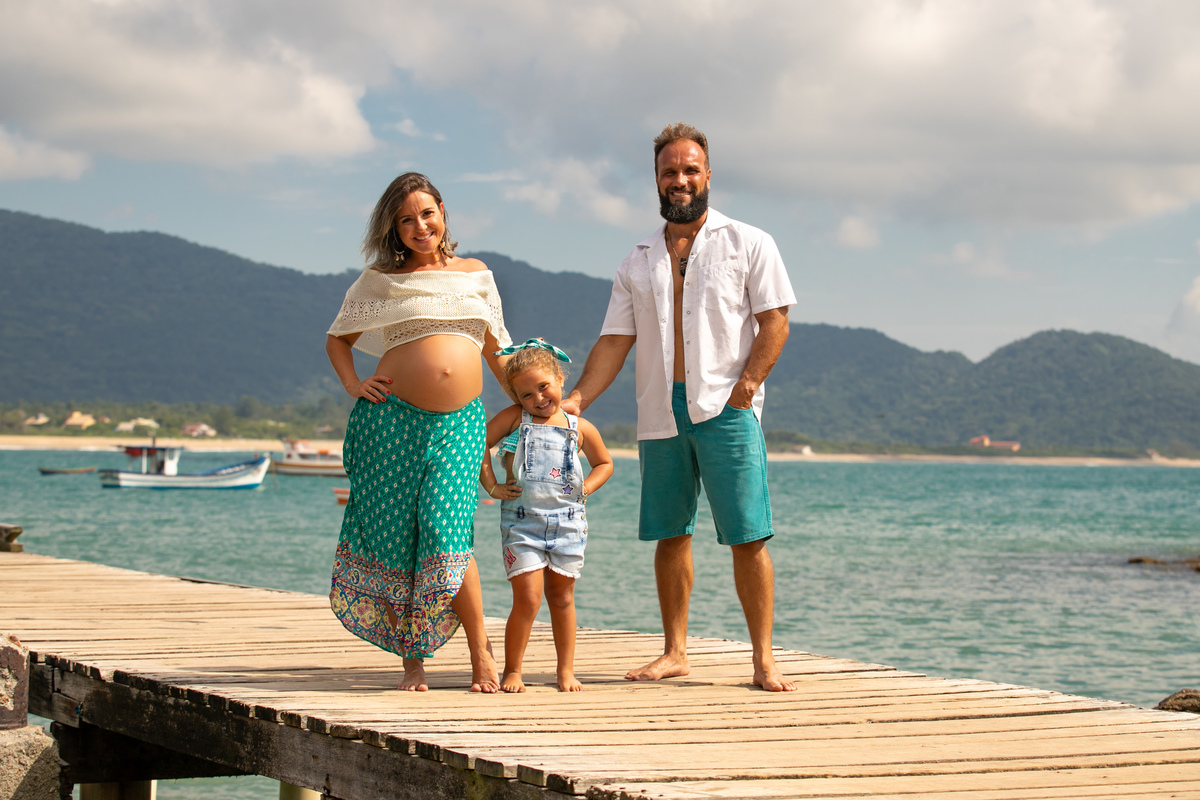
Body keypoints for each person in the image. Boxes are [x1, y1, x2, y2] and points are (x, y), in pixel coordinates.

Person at [563, 123, 798, 692]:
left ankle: (763, 659)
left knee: (749, 535)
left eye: (690, 169)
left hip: (727, 408)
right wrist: (574, 400)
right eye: (670, 171)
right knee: (671, 532)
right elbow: (615, 341)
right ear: (657, 180)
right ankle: (675, 651)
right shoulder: (637, 259)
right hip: (660, 410)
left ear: (708, 175)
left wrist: (746, 389)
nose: (680, 180)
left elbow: (776, 322)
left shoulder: (750, 242)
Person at [325, 172, 512, 693]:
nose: (418, 226)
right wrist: (353, 385)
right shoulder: (381, 279)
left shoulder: (478, 275)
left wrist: (535, 403)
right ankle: (413, 661)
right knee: (401, 535)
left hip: (460, 423)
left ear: (442, 212)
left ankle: (481, 649)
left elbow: (498, 352)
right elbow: (338, 339)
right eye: (406, 219)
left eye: (426, 214)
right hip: (391, 421)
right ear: (395, 227)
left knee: (442, 528)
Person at [480, 339, 614, 693]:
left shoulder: (578, 427)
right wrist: (492, 487)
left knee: (562, 598)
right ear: (516, 398)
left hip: (568, 525)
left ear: (559, 378)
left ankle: (565, 670)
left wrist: (585, 488)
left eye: (544, 387)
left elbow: (605, 463)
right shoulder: (513, 419)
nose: (538, 399)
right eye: (526, 395)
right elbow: (479, 443)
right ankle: (513, 669)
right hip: (522, 524)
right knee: (527, 598)